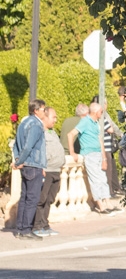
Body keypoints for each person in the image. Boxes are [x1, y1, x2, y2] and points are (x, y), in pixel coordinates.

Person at [67, 102, 117, 213]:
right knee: (96, 180)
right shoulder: (85, 122)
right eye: (100, 111)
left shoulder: (95, 123)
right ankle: (101, 205)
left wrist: (104, 158)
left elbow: (100, 140)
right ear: (95, 112)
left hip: (98, 153)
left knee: (102, 179)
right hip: (89, 154)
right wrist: (72, 152)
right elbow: (71, 134)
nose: (102, 113)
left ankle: (108, 203)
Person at [12, 98, 47, 240]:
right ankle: (26, 229)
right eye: (43, 109)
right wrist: (20, 161)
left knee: (25, 197)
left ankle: (20, 229)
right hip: (33, 164)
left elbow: (16, 145)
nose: (44, 111)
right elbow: (28, 146)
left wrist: (17, 160)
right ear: (36, 110)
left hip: (27, 165)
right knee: (32, 198)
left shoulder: (23, 123)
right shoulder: (35, 125)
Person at [33, 107, 65, 237]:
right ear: (45, 117)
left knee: (50, 199)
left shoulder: (52, 132)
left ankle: (45, 225)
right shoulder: (40, 132)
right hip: (47, 170)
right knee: (41, 198)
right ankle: (37, 226)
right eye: (54, 117)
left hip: (56, 170)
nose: (55, 120)